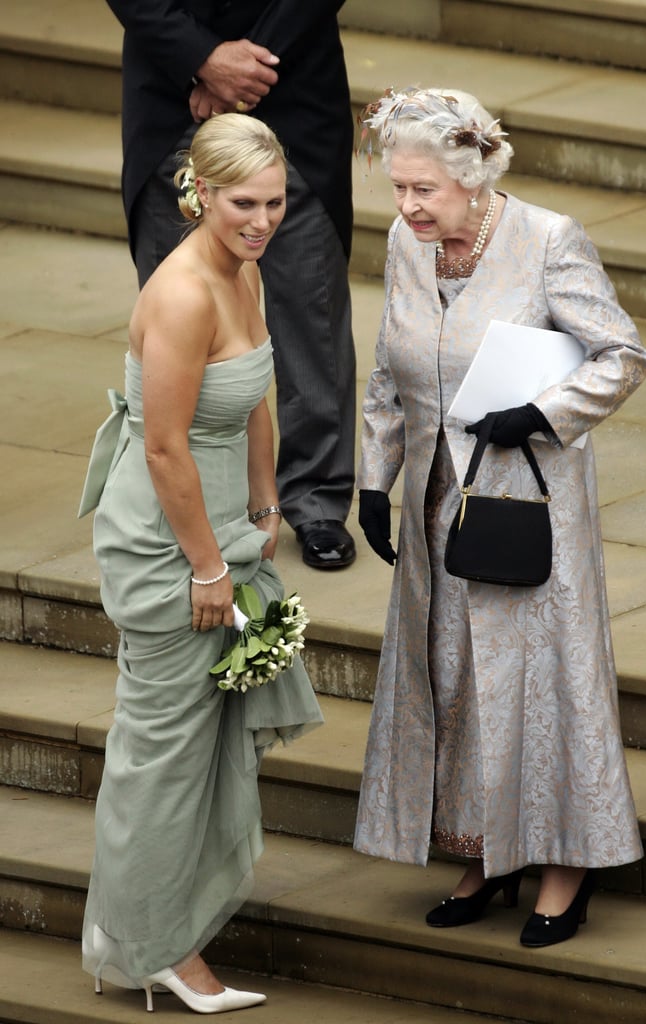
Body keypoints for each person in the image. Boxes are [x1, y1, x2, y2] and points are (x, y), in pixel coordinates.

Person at [354, 87, 646, 948]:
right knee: (458, 677)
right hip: (440, 502)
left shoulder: (546, 239)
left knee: (543, 678)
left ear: (475, 177)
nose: (407, 206)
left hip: (527, 500)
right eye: (398, 188)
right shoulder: (405, 246)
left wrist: (544, 412)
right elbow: (386, 372)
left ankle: (565, 863)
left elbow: (622, 356)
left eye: (424, 191)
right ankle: (487, 849)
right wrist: (375, 478)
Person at [78, 114, 323, 1012]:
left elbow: (256, 397)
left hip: (226, 528)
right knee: (164, 754)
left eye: (275, 202)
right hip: (172, 543)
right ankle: (153, 947)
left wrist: (265, 509)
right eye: (243, 204)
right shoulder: (182, 292)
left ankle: (166, 931)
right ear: (201, 195)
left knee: (201, 746)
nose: (262, 220)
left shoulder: (243, 268)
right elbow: (166, 451)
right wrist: (212, 569)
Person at [104, 0, 357, 569]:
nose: (260, 215)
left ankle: (314, 499)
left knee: (311, 314)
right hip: (171, 95)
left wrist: (246, 70)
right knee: (182, 328)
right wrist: (202, 58)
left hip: (296, 92)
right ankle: (176, 505)